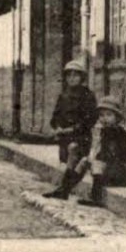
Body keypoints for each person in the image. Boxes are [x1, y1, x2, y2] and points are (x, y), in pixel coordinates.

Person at [41, 59, 97, 199]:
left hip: (80, 136)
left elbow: (90, 119)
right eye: (69, 75)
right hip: (64, 137)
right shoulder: (63, 96)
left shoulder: (88, 96)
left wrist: (71, 129)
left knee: (75, 155)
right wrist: (57, 126)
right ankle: (64, 189)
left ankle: (63, 190)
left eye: (75, 75)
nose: (72, 79)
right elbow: (55, 117)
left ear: (82, 77)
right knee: (70, 164)